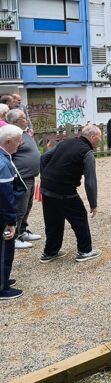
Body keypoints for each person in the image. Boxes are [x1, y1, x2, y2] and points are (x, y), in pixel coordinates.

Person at [39, 125, 102, 263]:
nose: (101, 139)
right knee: (79, 217)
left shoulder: (65, 142)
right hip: (65, 190)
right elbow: (90, 181)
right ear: (92, 137)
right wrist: (93, 203)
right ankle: (85, 251)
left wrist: (45, 177)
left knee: (53, 220)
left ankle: (50, 252)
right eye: (99, 136)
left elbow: (43, 157)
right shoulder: (87, 152)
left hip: (47, 187)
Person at [6, 109, 41, 250]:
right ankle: (14, 237)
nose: (26, 119)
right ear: (15, 121)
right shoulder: (11, 135)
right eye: (23, 117)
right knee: (20, 207)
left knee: (27, 206)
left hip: (30, 176)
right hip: (21, 177)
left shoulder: (24, 132)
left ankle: (22, 231)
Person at [0, 124, 26, 300]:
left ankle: (3, 279)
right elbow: (5, 196)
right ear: (8, 141)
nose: (20, 144)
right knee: (4, 250)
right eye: (18, 141)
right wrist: (11, 221)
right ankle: (2, 288)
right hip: (2, 215)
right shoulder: (3, 163)